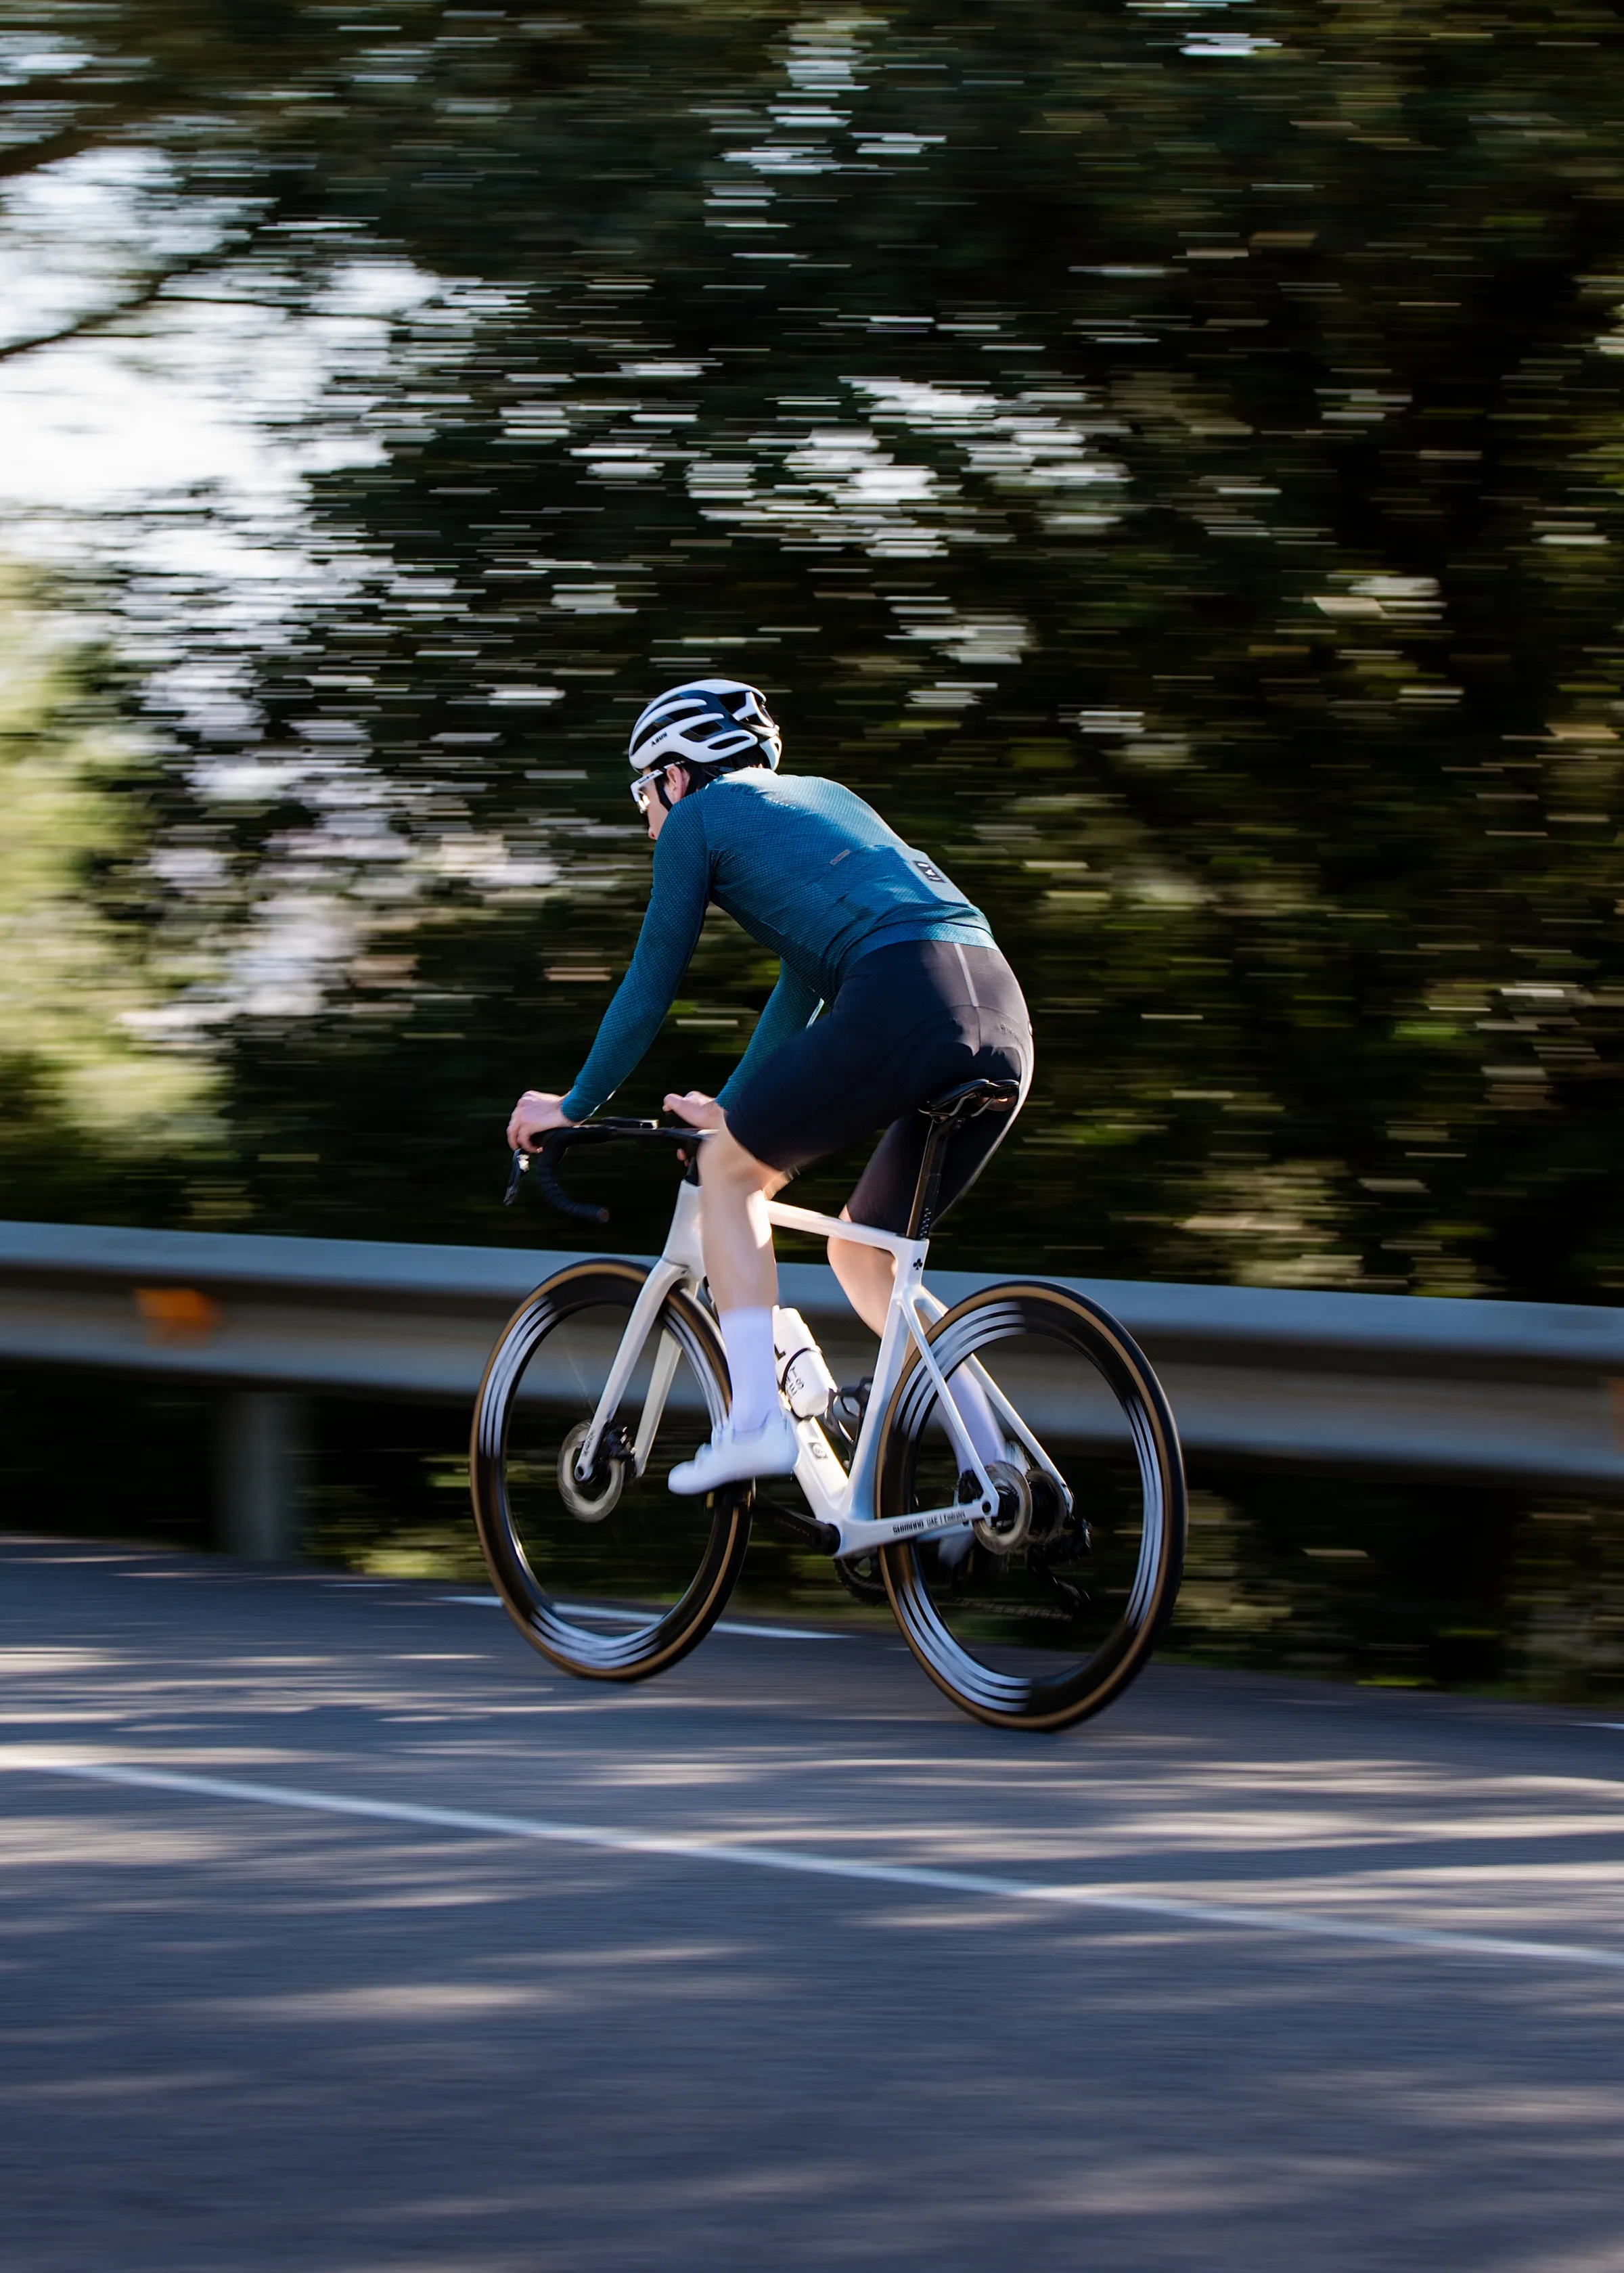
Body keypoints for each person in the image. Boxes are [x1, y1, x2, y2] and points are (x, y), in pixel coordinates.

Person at [507, 679, 1033, 1495]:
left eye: (643, 794)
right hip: (999, 1007)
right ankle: (998, 1474)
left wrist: (572, 1104)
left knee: (729, 1173)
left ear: (674, 776)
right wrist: (731, 1108)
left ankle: (752, 1423)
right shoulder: (824, 801)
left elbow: (650, 984)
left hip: (904, 992)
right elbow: (804, 989)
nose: (648, 818)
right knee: (864, 1253)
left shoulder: (699, 820)